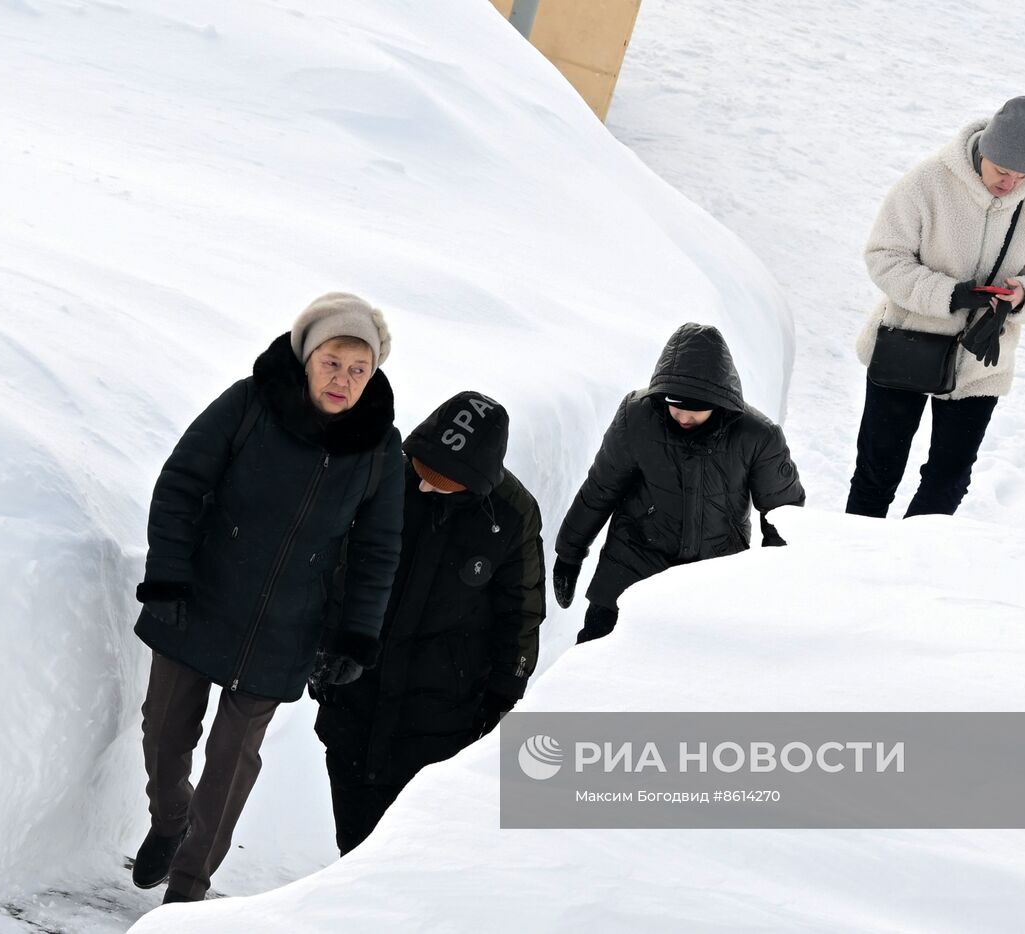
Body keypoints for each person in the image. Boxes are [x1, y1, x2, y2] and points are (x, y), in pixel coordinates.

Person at [129, 292, 404, 902]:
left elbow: (377, 551)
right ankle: (169, 821)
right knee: (164, 735)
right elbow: (180, 483)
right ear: (308, 356)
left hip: (287, 625)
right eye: (333, 362)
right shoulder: (250, 403)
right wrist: (170, 576)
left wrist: (356, 635)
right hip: (199, 597)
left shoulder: (380, 448)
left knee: (231, 762)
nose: (344, 380)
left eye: (359, 370)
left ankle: (188, 891)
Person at [314, 391, 545, 855]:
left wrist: (504, 694)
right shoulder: (385, 477)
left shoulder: (511, 515)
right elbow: (333, 567)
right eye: (419, 472)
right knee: (353, 819)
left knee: (408, 836)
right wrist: (322, 647)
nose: (422, 487)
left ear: (474, 482)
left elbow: (520, 611)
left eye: (438, 483)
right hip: (356, 686)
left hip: (443, 705)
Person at [847, 96, 1025, 518]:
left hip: (980, 362)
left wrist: (1023, 295)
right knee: (877, 473)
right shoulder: (926, 183)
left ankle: (911, 566)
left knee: (950, 479)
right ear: (984, 152)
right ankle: (850, 566)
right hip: (906, 344)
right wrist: (948, 295)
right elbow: (883, 256)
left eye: (1022, 175)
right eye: (1002, 171)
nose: (1010, 184)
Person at [552, 323, 804, 642]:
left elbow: (784, 517)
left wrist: (775, 588)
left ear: (719, 401)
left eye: (695, 410)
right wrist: (569, 553)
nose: (683, 417)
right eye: (675, 406)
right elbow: (601, 487)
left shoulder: (756, 436)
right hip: (631, 569)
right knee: (593, 666)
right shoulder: (637, 417)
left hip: (712, 580)